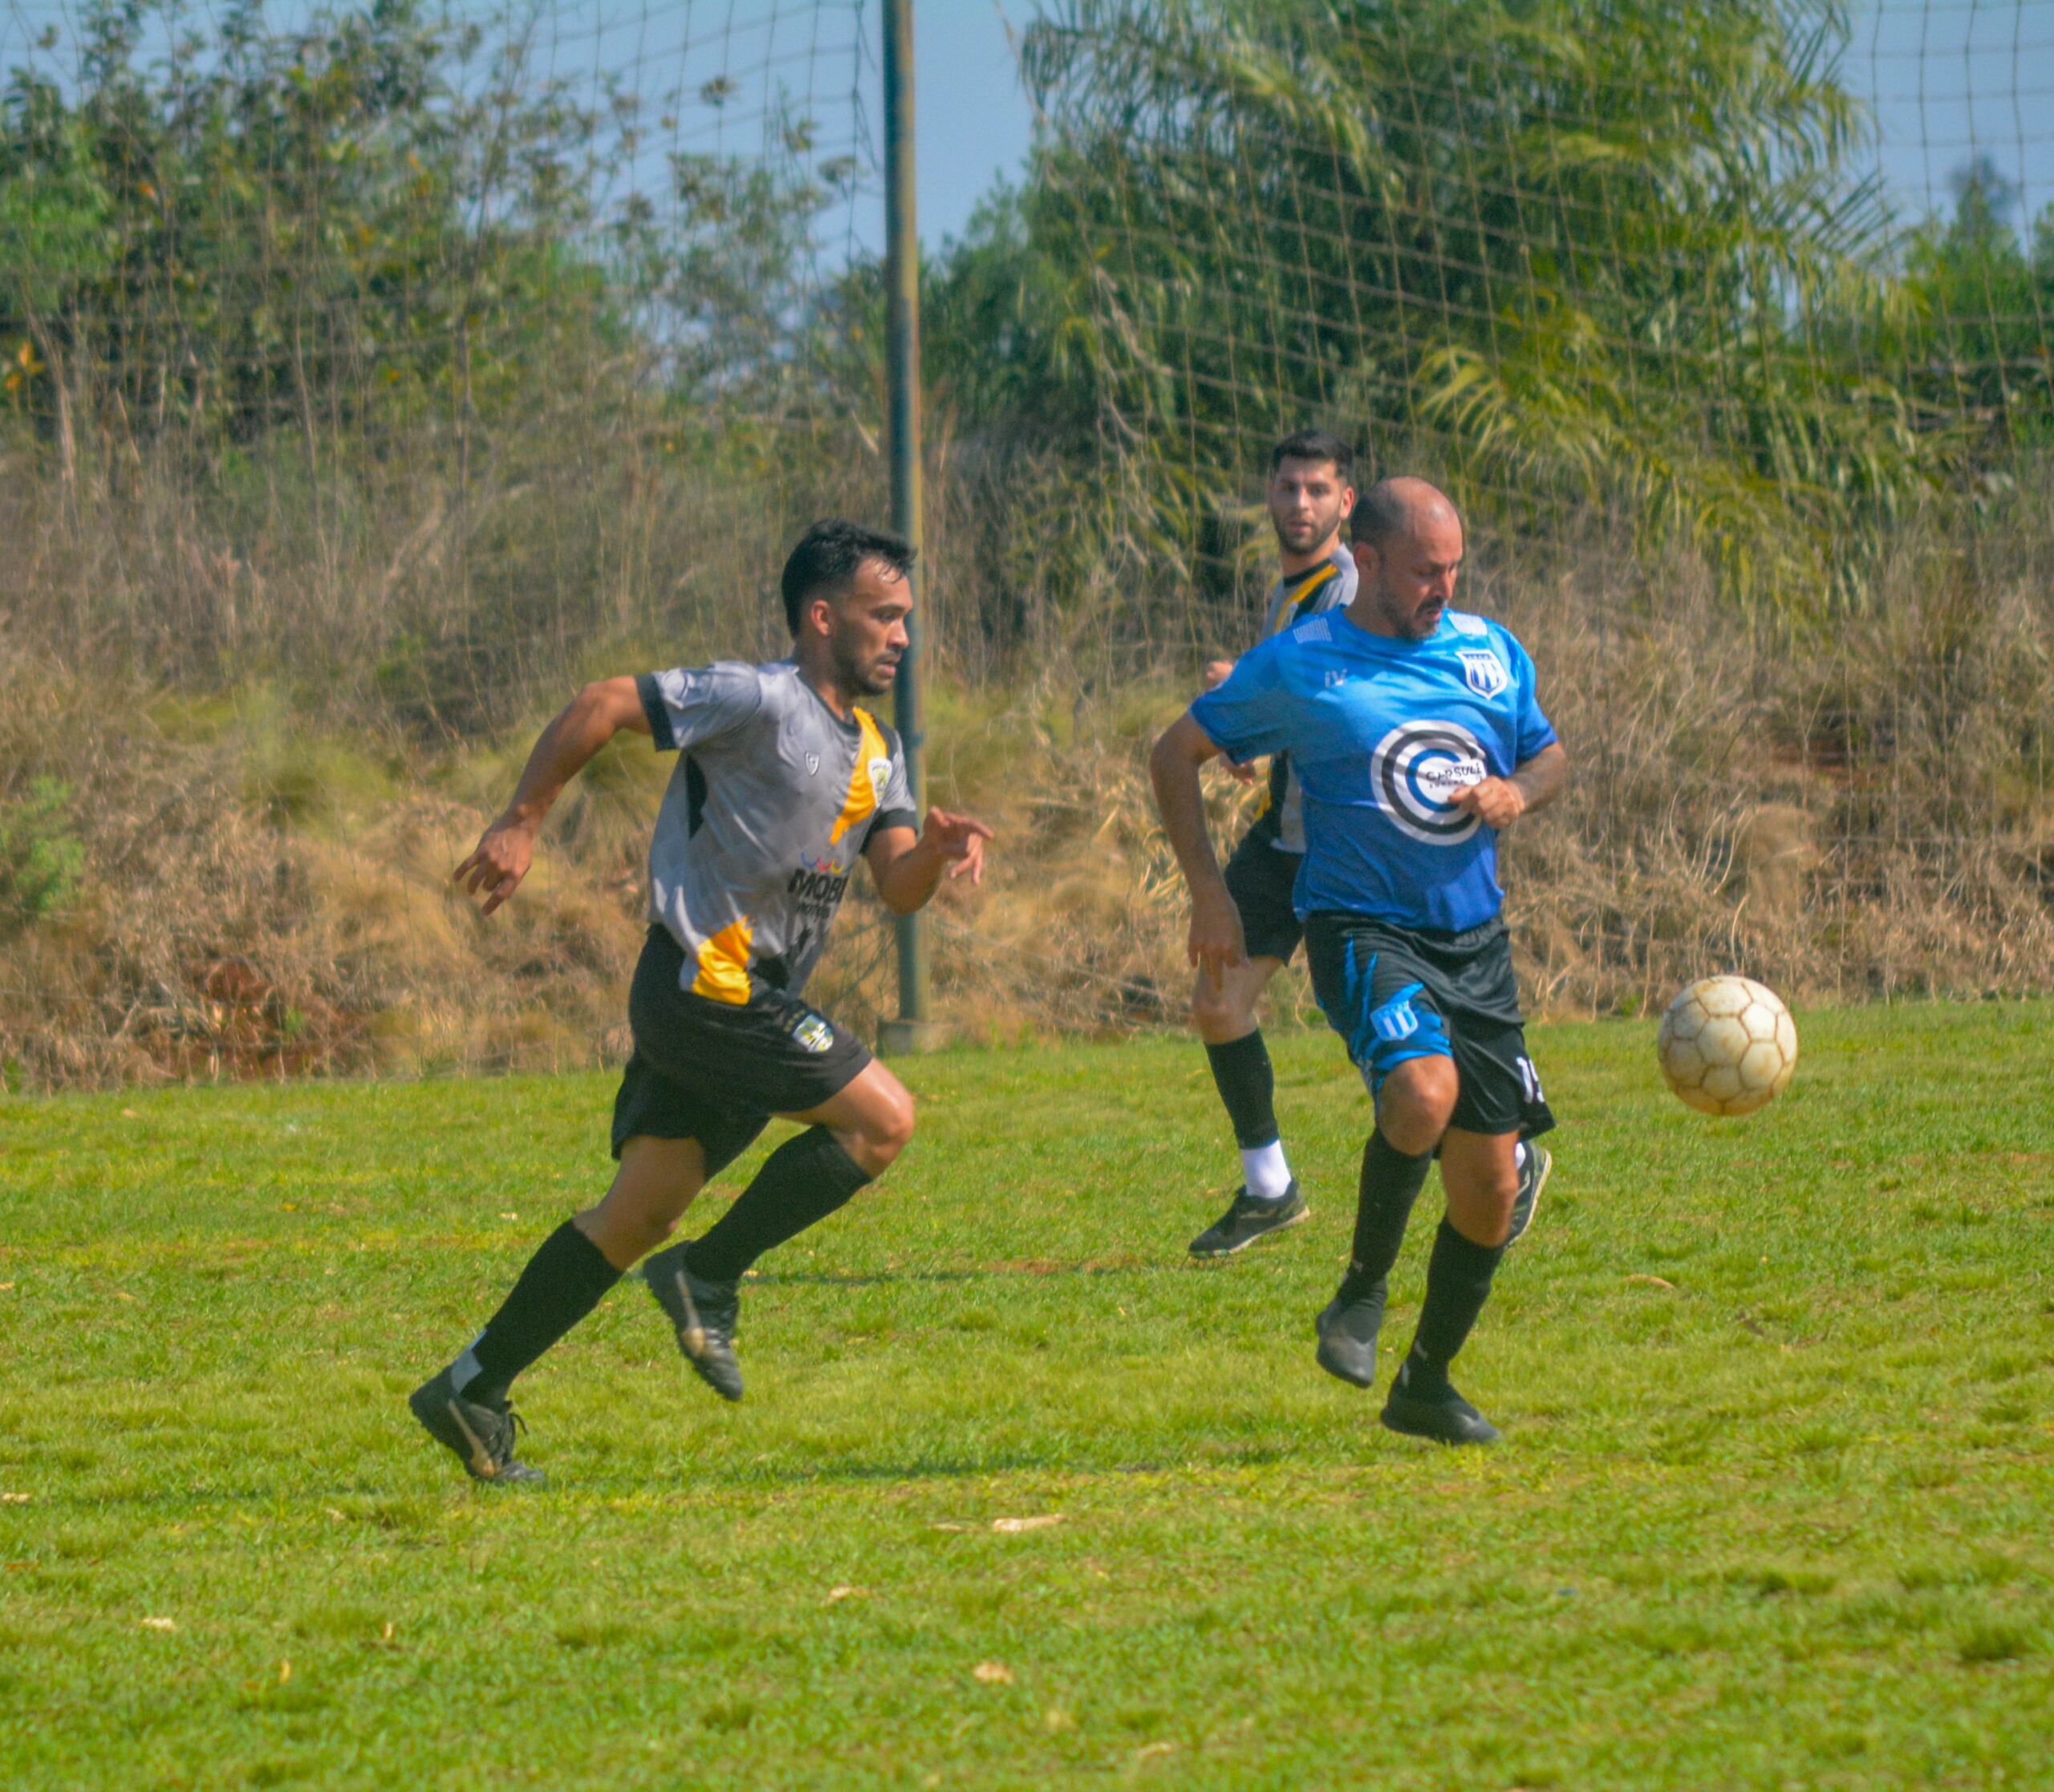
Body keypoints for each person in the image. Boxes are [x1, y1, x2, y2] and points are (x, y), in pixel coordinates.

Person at [410, 520, 993, 1485]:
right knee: (883, 1120)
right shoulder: (756, 698)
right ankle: (708, 1276)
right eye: (884, 615)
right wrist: (521, 820)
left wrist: (933, 851)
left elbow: (896, 886)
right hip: (704, 986)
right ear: (821, 616)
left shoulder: (879, 752)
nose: (902, 635)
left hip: (738, 1001)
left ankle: (472, 1383)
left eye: (906, 618)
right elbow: (602, 703)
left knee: (638, 1214)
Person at [1151, 479, 1566, 1445]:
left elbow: (1549, 756)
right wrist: (1210, 893)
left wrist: (1517, 791)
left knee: (1492, 1190)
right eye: (1424, 570)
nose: (1443, 587)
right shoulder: (1303, 660)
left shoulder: (1489, 651)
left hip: (1476, 942)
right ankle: (1360, 1294)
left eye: (1453, 567)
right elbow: (1174, 753)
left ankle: (1425, 1381)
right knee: (1420, 1092)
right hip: (1360, 926)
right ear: (1366, 561)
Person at [1183, 430, 1359, 1259]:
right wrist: (1246, 722)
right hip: (1284, 839)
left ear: (1345, 502)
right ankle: (1269, 1189)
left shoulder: (1347, 588)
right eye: (1288, 487)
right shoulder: (1293, 591)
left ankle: (1503, 1148)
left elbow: (1340, 704)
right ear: (1269, 495)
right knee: (1219, 1001)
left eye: (1317, 489)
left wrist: (1243, 698)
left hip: (1342, 840)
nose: (1300, 503)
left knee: (1374, 1021)